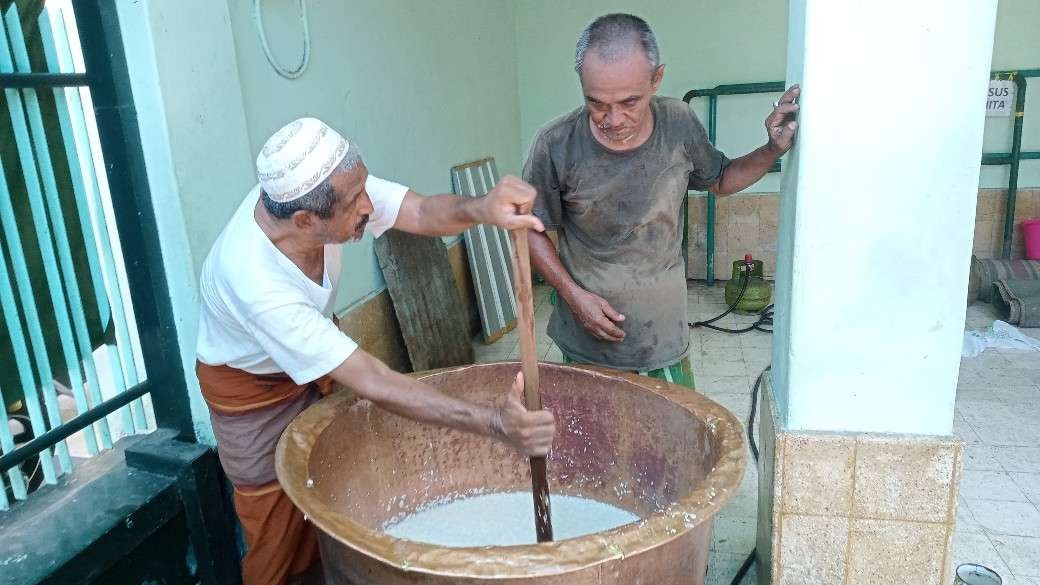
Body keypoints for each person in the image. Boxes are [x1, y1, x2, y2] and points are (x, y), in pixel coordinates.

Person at [195, 117, 556, 585]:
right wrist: (494, 423)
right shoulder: (252, 278)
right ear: (305, 220)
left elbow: (423, 213)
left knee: (333, 474)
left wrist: (482, 207)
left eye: (364, 187)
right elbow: (375, 381)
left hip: (314, 345)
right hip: (252, 389)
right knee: (276, 524)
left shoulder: (327, 188)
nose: (369, 205)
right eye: (354, 202)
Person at [524, 13, 799, 387]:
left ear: (656, 79)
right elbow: (530, 230)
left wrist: (772, 149)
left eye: (629, 102)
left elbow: (720, 178)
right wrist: (572, 296)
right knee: (596, 441)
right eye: (596, 103)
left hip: (663, 337)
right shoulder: (555, 143)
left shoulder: (678, 123)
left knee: (671, 439)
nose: (613, 118)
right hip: (587, 342)